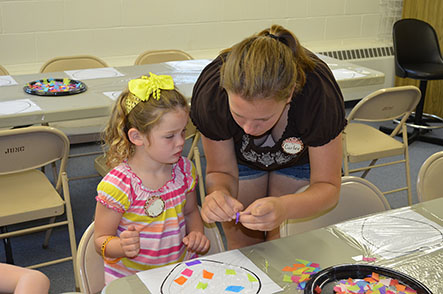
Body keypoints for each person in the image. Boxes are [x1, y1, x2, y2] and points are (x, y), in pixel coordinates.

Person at [190, 24, 346, 249]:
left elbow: (328, 186)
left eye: (263, 119)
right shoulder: (212, 94)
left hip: (299, 157)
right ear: (225, 92)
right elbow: (220, 171)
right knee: (244, 247)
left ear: (290, 93)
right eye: (238, 115)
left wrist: (285, 208)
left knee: (283, 245)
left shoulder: (317, 93)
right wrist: (219, 194)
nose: (249, 129)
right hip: (239, 158)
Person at [94, 73, 210, 284]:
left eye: (183, 132)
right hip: (134, 282)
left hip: (178, 276)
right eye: (169, 136)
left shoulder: (184, 170)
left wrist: (197, 234)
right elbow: (100, 240)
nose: (180, 143)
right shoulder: (118, 185)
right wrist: (120, 246)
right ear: (137, 137)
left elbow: (192, 211)